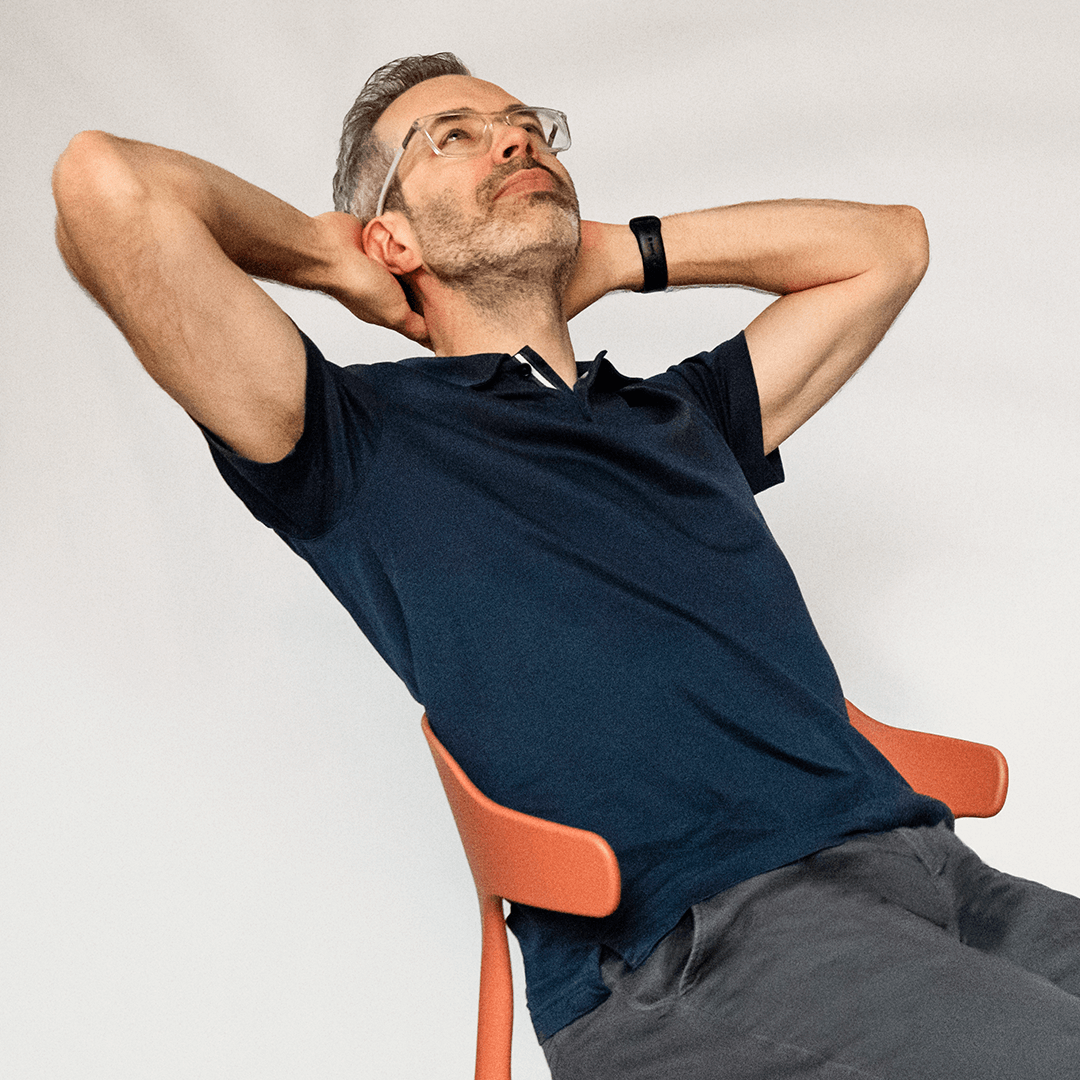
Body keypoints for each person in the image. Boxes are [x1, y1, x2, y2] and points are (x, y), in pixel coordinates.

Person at [52, 51, 1080, 1079]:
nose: (514, 139)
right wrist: (328, 258)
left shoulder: (684, 417)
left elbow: (888, 247)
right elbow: (107, 189)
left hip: (939, 875)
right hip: (695, 946)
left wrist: (621, 252)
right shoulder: (353, 444)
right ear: (389, 234)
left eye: (527, 126)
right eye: (451, 135)